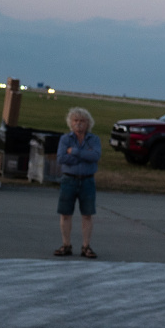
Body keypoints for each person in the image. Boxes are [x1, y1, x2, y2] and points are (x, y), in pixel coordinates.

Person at [54, 107, 101, 258]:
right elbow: (61, 158)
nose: (79, 124)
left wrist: (75, 152)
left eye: (82, 121)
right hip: (69, 180)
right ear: (71, 123)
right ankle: (66, 244)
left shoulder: (94, 139)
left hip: (87, 181)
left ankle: (86, 246)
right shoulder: (65, 139)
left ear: (88, 123)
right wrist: (83, 156)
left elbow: (95, 156)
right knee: (65, 214)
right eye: (76, 121)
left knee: (87, 214)